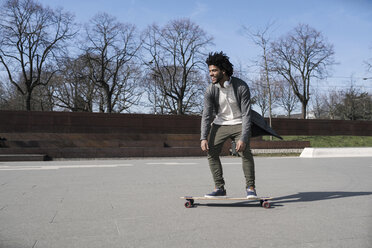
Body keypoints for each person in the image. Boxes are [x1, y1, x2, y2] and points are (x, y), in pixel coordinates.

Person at [200, 51, 257, 199]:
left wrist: (243, 137)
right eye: (209, 71)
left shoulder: (241, 87)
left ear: (223, 71)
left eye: (214, 71)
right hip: (220, 124)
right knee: (211, 153)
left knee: (245, 152)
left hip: (239, 122)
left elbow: (246, 114)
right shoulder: (210, 90)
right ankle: (219, 188)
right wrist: (203, 137)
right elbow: (207, 115)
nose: (211, 74)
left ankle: (250, 187)